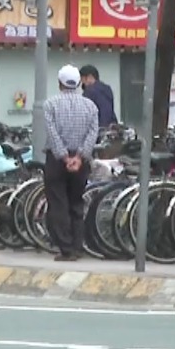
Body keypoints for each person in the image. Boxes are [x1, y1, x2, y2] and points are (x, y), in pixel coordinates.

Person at [43, 65, 99, 261]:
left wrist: (64, 157)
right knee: (76, 202)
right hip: (81, 160)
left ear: (60, 83)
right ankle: (77, 246)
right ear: (78, 83)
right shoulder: (90, 106)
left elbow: (52, 133)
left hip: (57, 160)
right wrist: (80, 157)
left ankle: (65, 248)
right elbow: (93, 133)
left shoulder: (50, 104)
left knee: (58, 203)